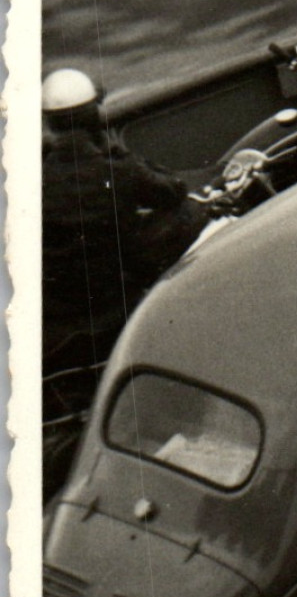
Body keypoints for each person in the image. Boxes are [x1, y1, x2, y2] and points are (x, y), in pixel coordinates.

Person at [42, 67, 208, 380]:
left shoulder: (33, 178)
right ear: (95, 115)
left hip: (62, 302)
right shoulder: (116, 169)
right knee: (189, 212)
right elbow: (173, 190)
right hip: (117, 292)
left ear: (50, 122)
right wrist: (122, 154)